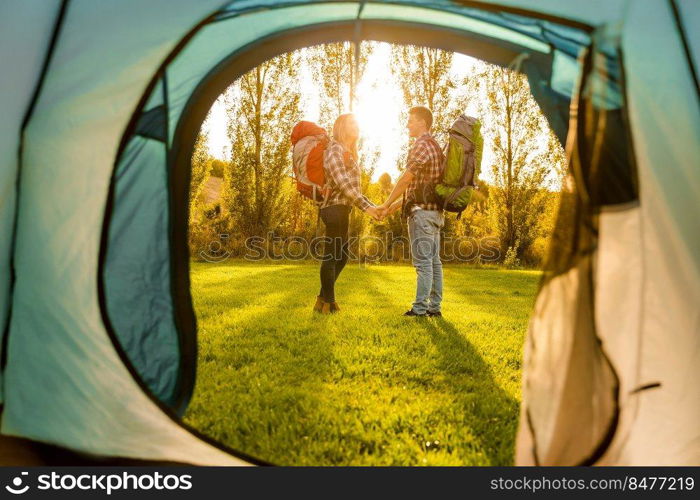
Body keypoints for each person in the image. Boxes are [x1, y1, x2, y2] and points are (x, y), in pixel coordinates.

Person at [378, 106, 445, 317]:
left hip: (422, 216)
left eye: (411, 121)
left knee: (423, 264)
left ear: (422, 122)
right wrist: (394, 207)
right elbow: (420, 189)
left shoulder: (422, 145)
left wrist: (386, 203)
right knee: (434, 262)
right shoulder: (435, 146)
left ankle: (419, 309)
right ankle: (434, 308)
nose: (407, 125)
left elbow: (407, 179)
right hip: (434, 214)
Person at [314, 113, 381, 314]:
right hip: (333, 208)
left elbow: (354, 191)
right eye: (352, 123)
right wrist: (367, 208)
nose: (357, 126)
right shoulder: (334, 149)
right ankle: (330, 304)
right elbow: (343, 184)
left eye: (357, 122)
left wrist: (374, 206)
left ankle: (321, 300)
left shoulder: (348, 152)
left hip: (342, 208)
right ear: (341, 127)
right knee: (332, 256)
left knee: (341, 257)